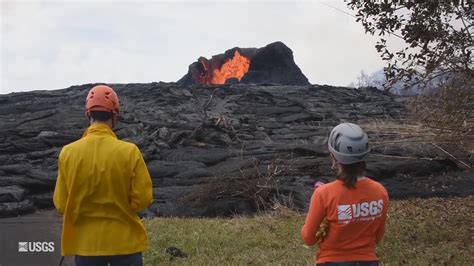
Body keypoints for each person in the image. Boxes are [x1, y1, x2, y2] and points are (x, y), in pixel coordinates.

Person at [53, 85, 153, 266]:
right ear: (114, 116)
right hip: (125, 242)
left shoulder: (68, 153)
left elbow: (61, 203)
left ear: (88, 115)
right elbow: (143, 199)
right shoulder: (130, 151)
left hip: (86, 244)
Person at [301, 123, 389, 265]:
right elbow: (377, 237)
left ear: (334, 158)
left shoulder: (323, 194)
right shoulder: (380, 191)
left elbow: (308, 238)